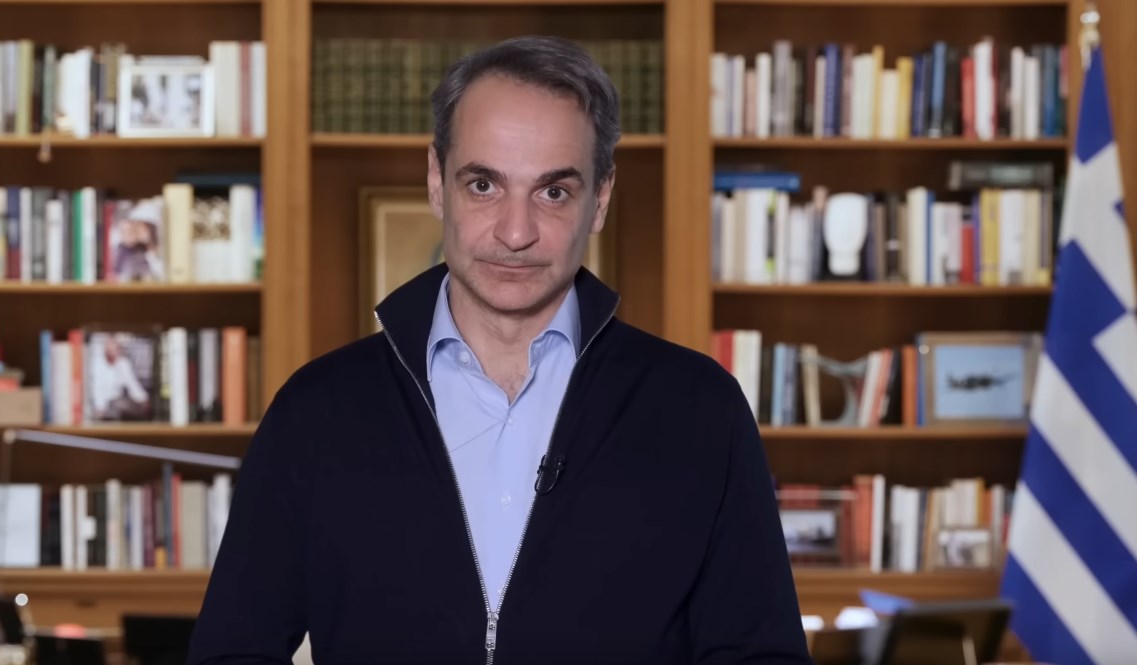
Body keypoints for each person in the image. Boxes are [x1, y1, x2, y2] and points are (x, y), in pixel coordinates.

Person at [186, 35, 811, 665]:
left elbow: (762, 655)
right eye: (484, 185)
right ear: (437, 182)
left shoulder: (699, 409)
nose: (516, 233)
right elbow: (230, 654)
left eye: (553, 192)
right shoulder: (316, 411)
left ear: (600, 199)